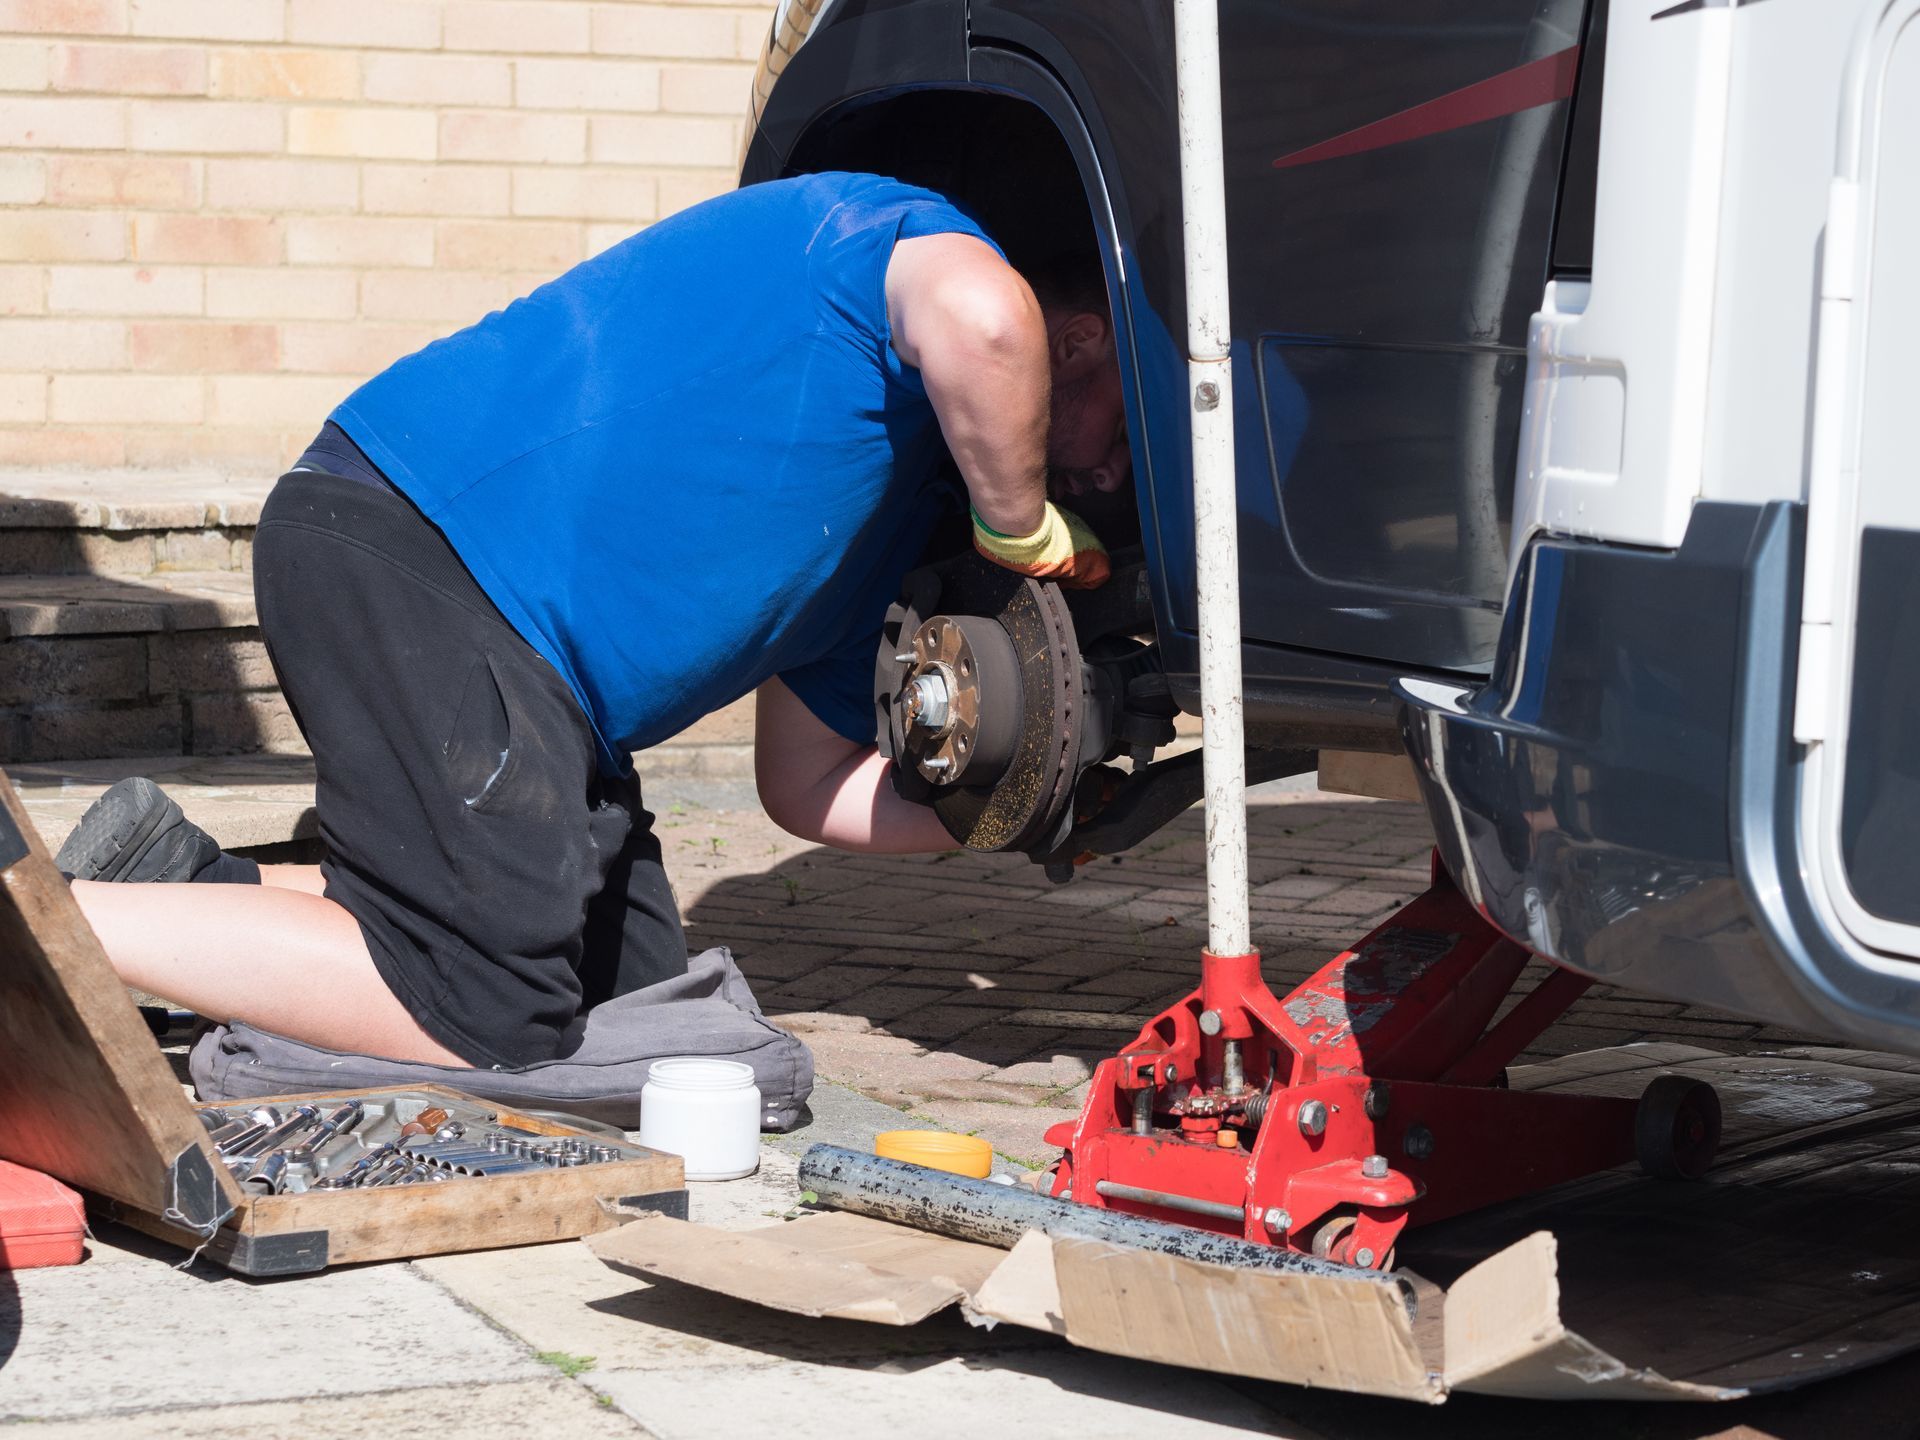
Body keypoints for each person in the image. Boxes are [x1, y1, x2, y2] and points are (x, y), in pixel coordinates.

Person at [58, 171, 1131, 1071]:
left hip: (520, 665)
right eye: (1122, 434)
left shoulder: (895, 537)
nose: (1113, 475)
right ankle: (47, 926)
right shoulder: (894, 238)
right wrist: (1020, 522)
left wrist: (1007, 809)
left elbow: (803, 788)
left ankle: (184, 887)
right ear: (1076, 341)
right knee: (484, 1008)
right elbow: (985, 324)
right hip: (420, 544)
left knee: (633, 1004)